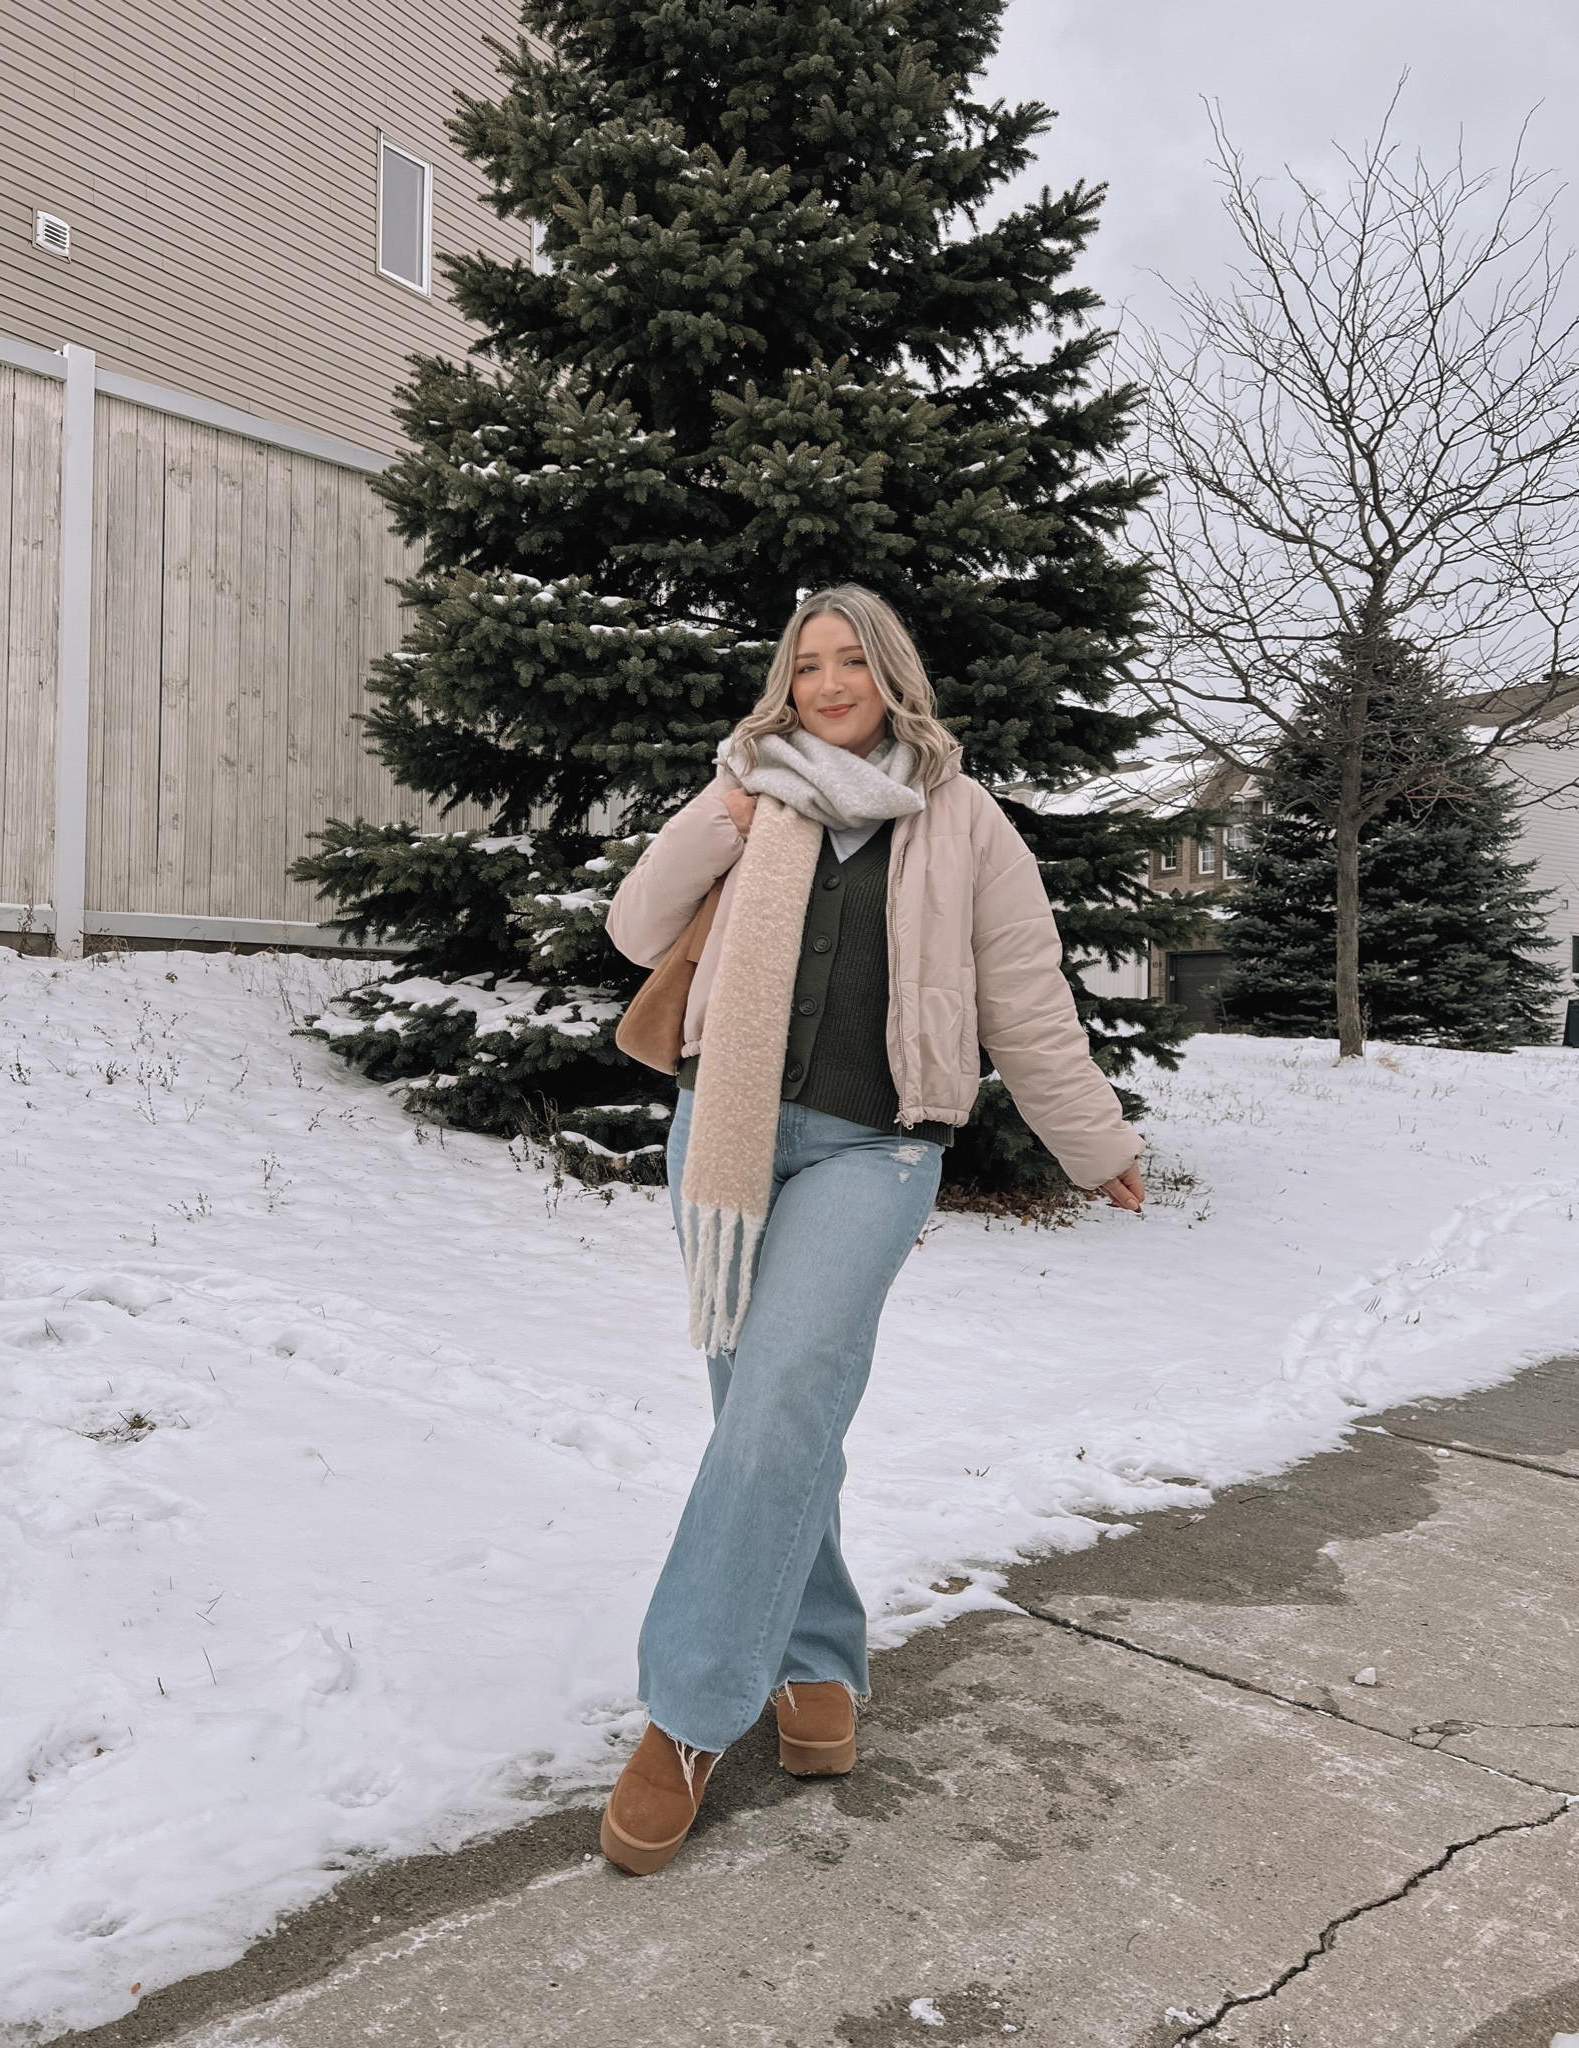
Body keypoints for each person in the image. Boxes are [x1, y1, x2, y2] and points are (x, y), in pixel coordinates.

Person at [599, 584, 1145, 1874]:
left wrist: (1096, 1142)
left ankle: (687, 1713)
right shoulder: (751, 790)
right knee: (768, 1418)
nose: (828, 684)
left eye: (852, 662)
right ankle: (819, 1662)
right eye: (807, 665)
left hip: (874, 1145)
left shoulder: (962, 820)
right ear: (784, 681)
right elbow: (633, 931)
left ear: (892, 675)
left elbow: (1026, 998)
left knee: (785, 1394)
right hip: (722, 1136)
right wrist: (718, 819)